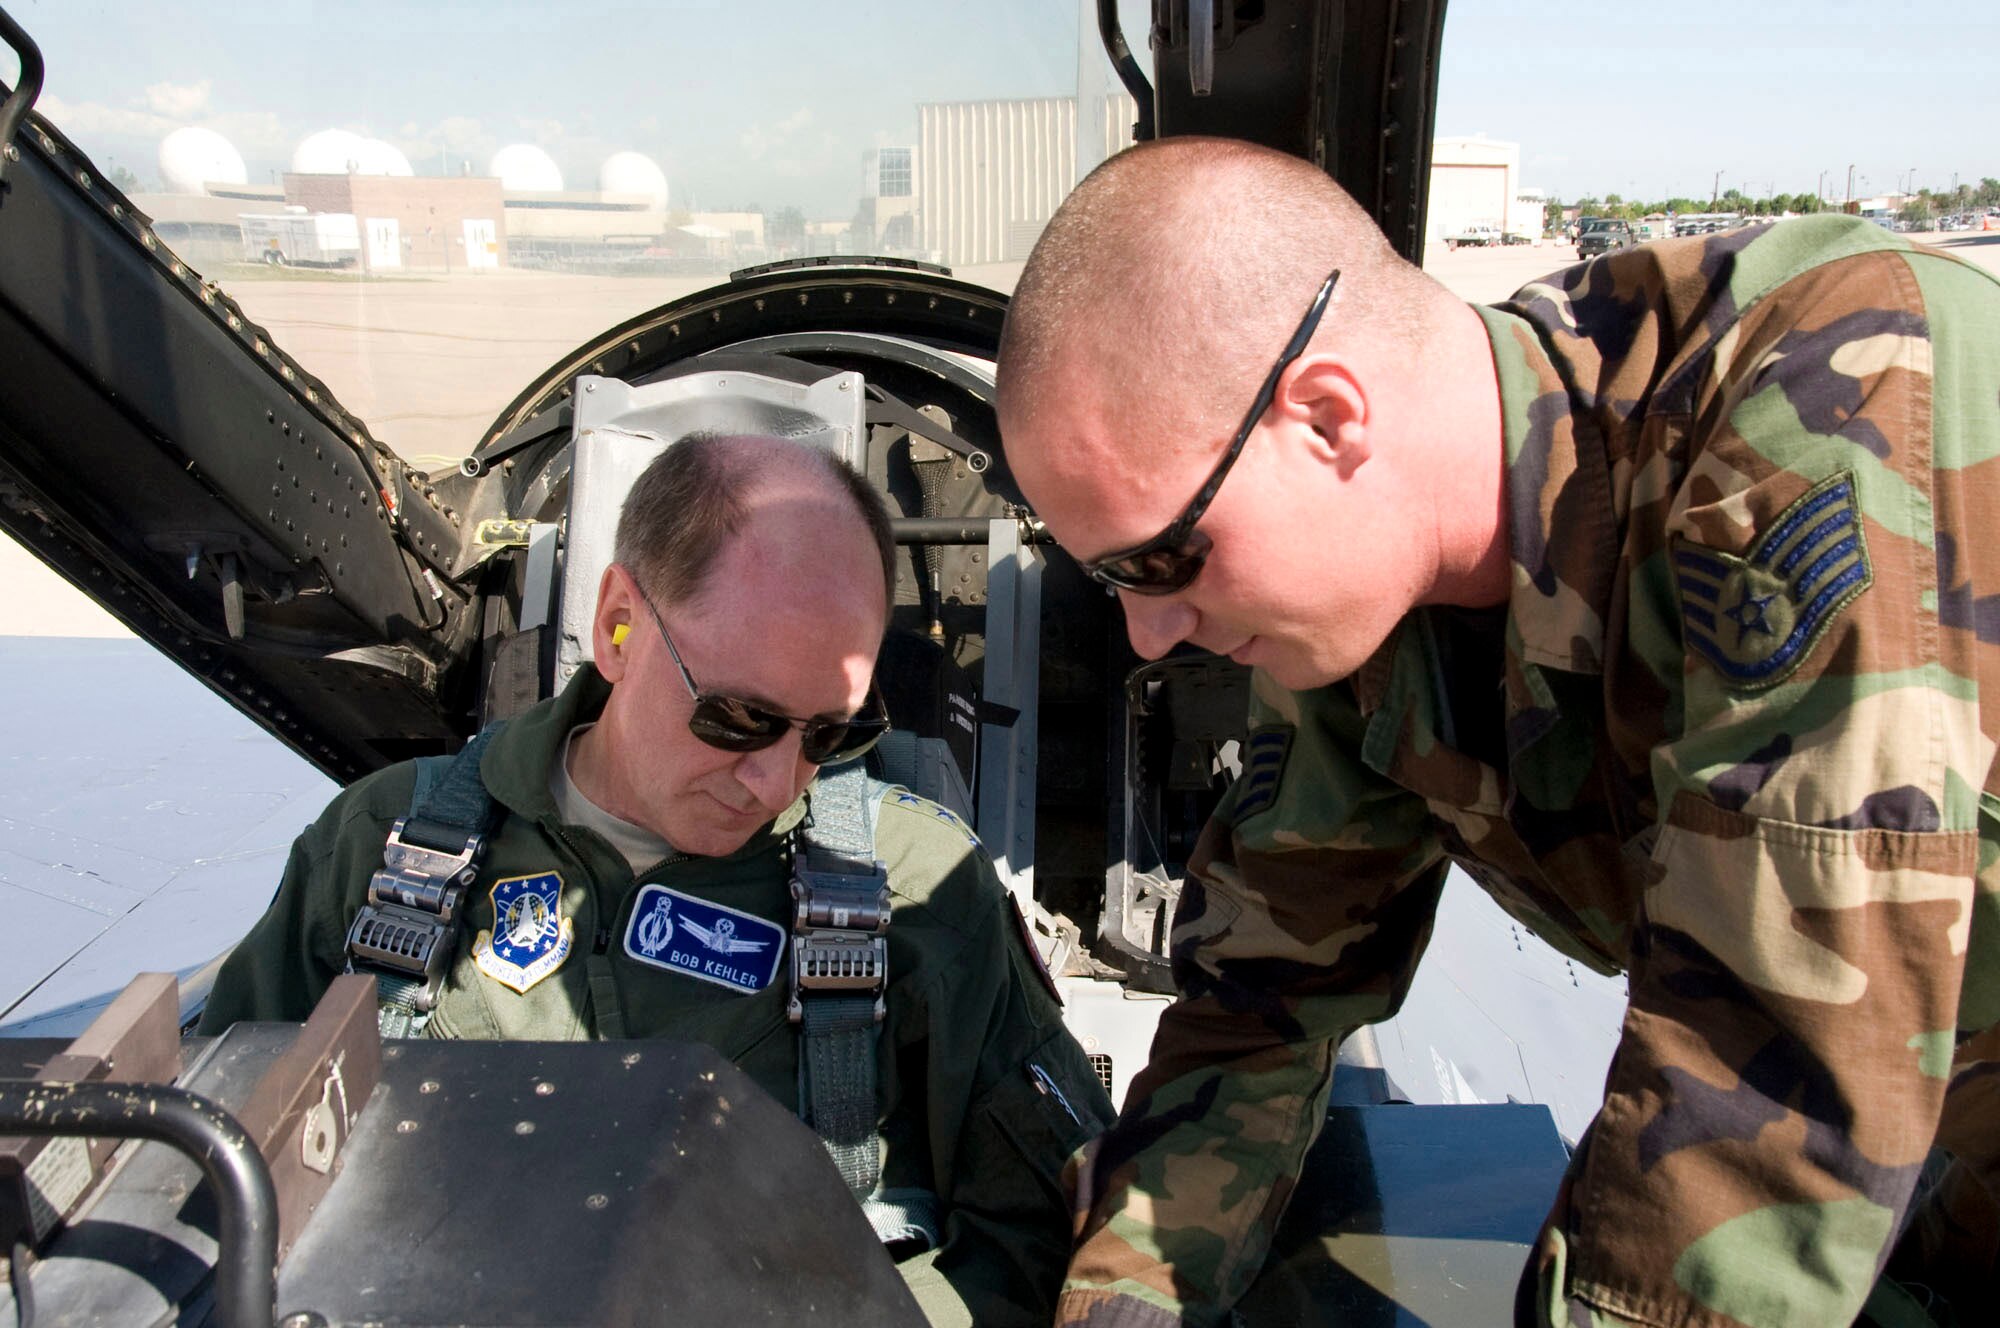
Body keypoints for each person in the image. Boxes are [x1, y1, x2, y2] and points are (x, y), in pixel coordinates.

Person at [994, 136, 1998, 1328]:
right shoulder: (1356, 620)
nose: (1150, 634)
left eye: (1161, 558)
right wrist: (1125, 1299)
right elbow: (1262, 1002)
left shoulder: (1828, 393)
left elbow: (1774, 1048)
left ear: (1325, 418)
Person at [199, 433, 1113, 1326]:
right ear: (617, 625)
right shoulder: (383, 853)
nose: (773, 780)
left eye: (829, 734)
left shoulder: (919, 888)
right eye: (738, 717)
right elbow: (213, 1175)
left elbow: (1044, 1232)